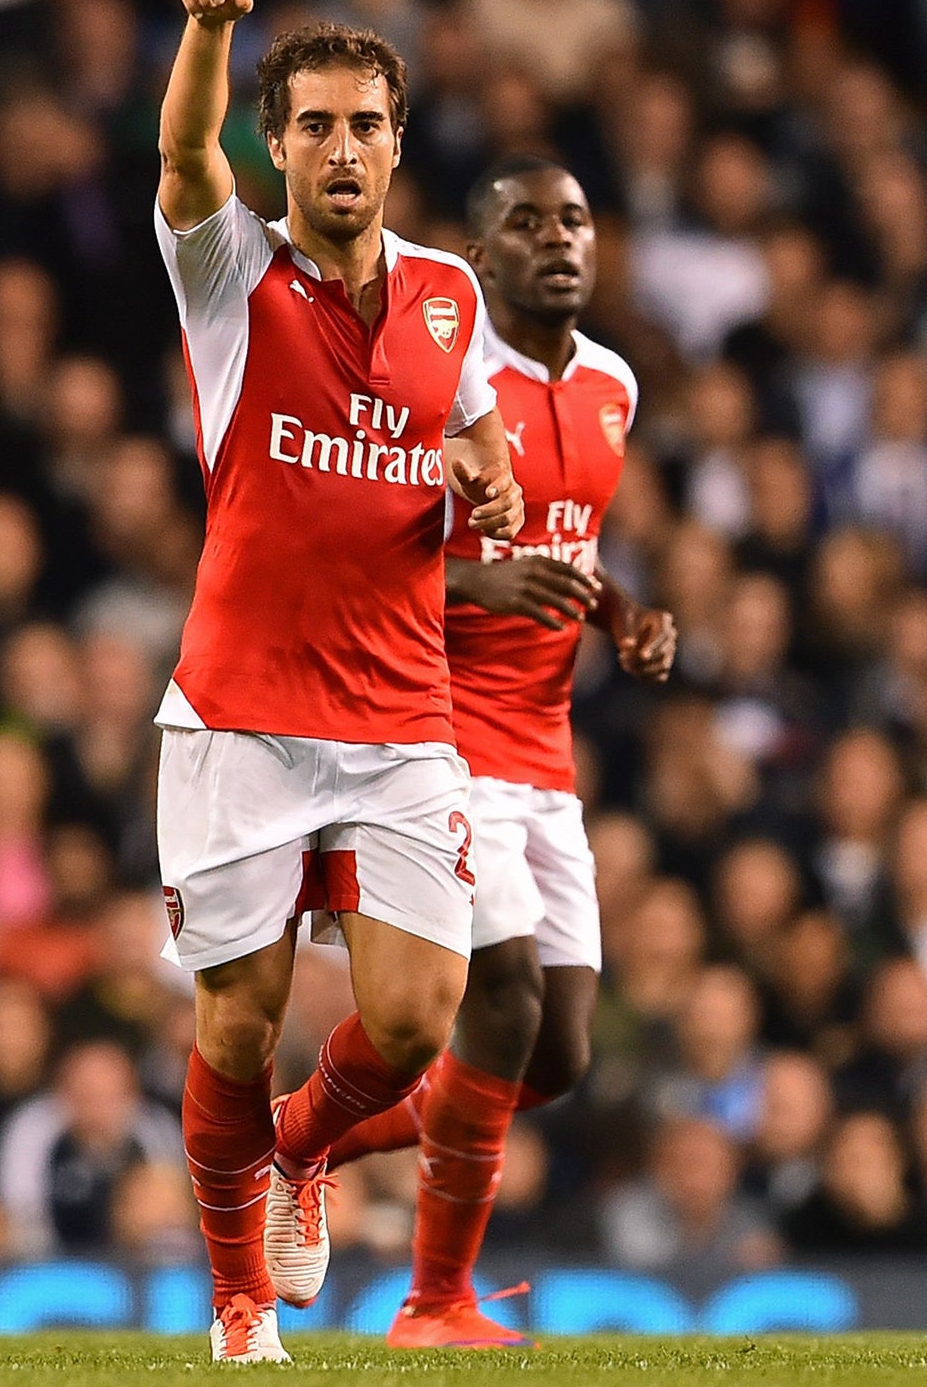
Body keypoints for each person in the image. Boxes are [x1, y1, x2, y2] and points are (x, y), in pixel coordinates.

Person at [154, 0, 523, 1363]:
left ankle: (301, 1153)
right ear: (281, 147)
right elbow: (185, 162)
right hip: (240, 710)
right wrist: (205, 29)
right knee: (236, 1024)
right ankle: (242, 1301)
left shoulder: (451, 293)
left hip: (401, 714)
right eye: (312, 126)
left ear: (397, 140)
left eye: (365, 122)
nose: (341, 147)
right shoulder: (231, 276)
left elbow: (478, 427)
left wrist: (487, 469)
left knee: (421, 1017)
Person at [320, 156, 677, 1348]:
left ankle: (293, 1142)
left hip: (546, 753)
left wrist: (619, 615)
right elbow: (353, 553)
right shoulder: (433, 383)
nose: (556, 241)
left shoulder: (617, 385)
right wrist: (477, 575)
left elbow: (569, 548)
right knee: (506, 1004)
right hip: (434, 737)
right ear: (479, 259)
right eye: (524, 225)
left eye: (573, 218)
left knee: (558, 1055)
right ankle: (433, 1304)